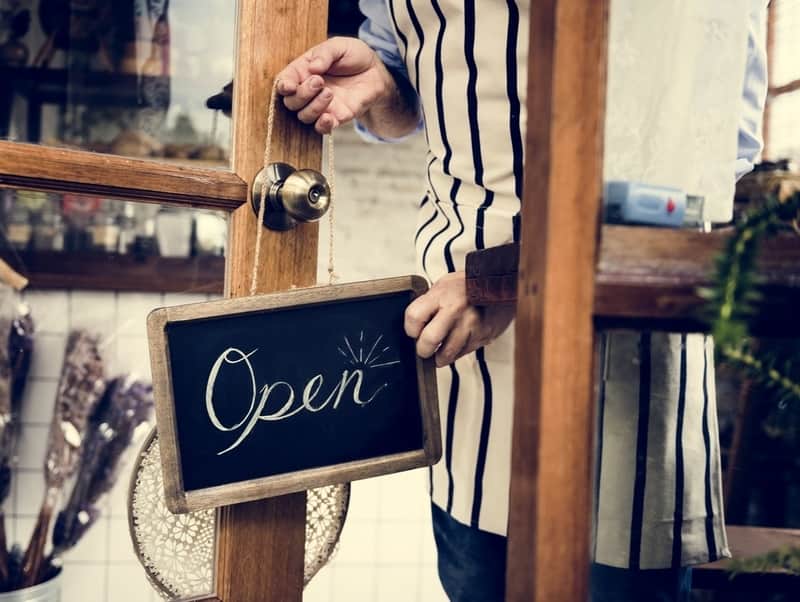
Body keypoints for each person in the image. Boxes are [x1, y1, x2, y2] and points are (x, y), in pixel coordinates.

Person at [277, 1, 769, 600]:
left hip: (619, 352)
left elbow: (705, 163)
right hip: (460, 351)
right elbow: (408, 100)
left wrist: (514, 279)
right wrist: (381, 84)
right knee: (474, 580)